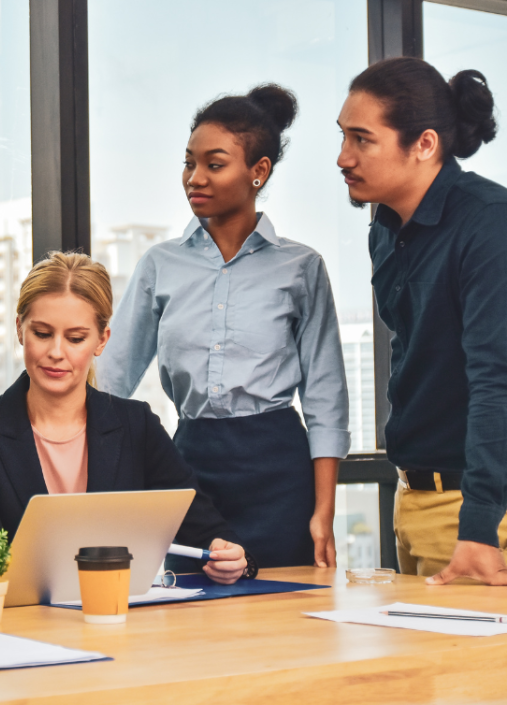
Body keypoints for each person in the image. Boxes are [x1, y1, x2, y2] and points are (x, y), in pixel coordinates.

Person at [97, 85, 350, 570]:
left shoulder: (301, 267)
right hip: (189, 465)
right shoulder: (160, 264)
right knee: (191, 619)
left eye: (214, 164)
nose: (195, 177)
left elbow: (325, 397)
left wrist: (324, 511)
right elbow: (111, 378)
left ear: (259, 171)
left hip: (280, 470)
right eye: (189, 163)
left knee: (284, 619)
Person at [0, 252, 252, 585]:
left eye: (76, 338)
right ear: (19, 330)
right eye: (42, 333)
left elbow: (206, 528)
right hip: (21, 622)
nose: (56, 352)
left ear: (101, 340)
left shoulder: (137, 425)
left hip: (119, 619)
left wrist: (227, 555)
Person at [337, 57, 507, 585]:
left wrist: (478, 527)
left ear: (425, 144)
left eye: (362, 140)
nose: (343, 158)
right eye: (342, 137)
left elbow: (496, 382)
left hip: (477, 515)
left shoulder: (489, 223)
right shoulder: (384, 230)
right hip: (412, 501)